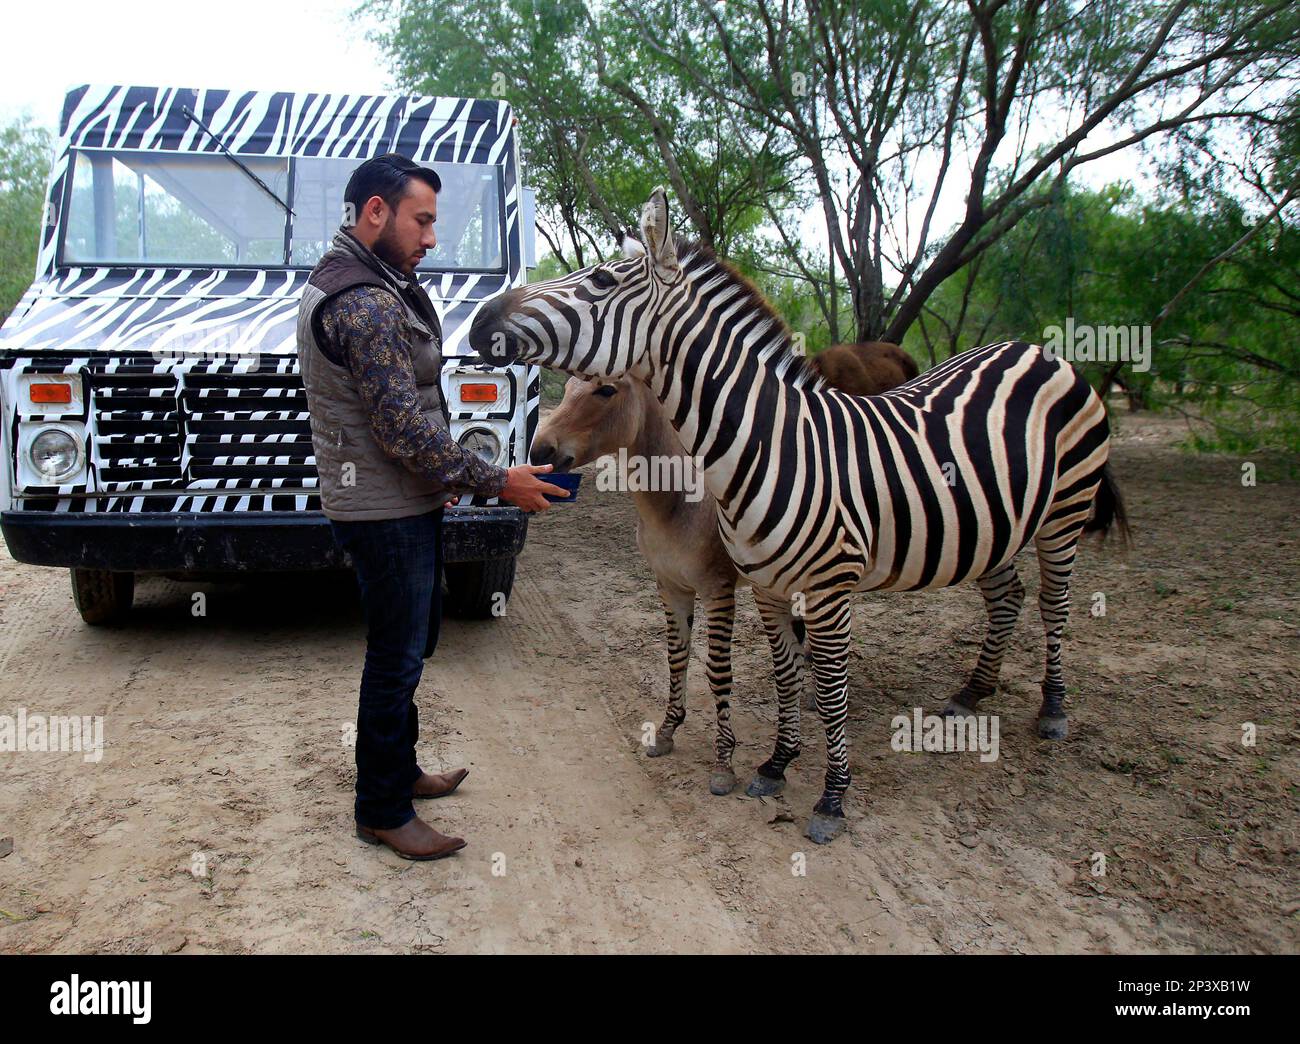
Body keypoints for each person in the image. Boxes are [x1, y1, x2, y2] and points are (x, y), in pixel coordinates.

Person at [295, 153, 566, 860]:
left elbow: (405, 416)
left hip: (394, 500)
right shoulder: (364, 301)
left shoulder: (370, 281)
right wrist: (496, 480)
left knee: (410, 646)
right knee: (395, 657)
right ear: (376, 213)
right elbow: (403, 428)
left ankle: (400, 774)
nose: (431, 237)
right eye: (422, 219)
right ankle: (381, 808)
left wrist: (443, 476)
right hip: (382, 512)